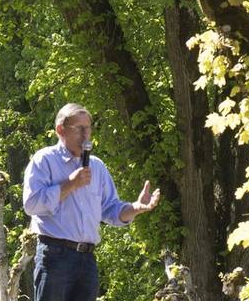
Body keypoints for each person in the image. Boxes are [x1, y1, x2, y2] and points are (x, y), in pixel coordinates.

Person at [23, 103, 161, 301]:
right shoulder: (44, 160)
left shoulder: (97, 166)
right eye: (79, 129)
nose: (86, 134)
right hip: (55, 256)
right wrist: (70, 184)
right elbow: (31, 204)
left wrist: (137, 208)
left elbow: (110, 210)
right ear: (60, 130)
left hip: (87, 259)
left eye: (88, 128)